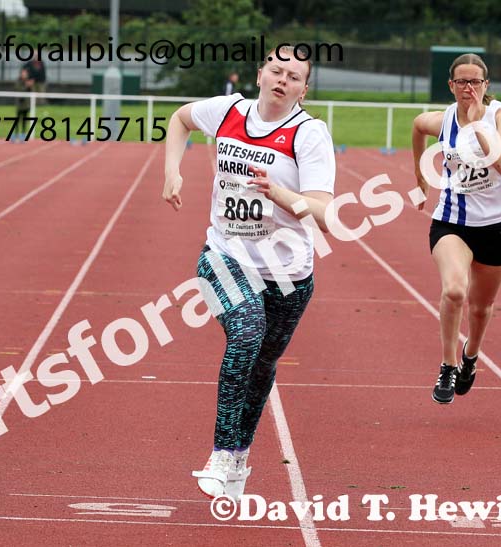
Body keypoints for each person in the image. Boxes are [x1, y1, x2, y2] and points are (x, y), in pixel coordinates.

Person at [162, 46, 335, 499]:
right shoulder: (227, 111)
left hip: (289, 272)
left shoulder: (309, 135)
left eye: (294, 77)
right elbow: (180, 119)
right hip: (223, 255)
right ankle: (220, 453)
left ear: (303, 88)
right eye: (276, 70)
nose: (283, 80)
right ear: (260, 74)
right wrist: (172, 172)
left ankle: (239, 456)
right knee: (245, 334)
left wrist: (277, 193)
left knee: (262, 365)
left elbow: (324, 213)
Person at [411, 53, 501, 405]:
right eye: (462, 82)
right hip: (452, 221)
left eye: (475, 82)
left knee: (480, 308)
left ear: (486, 85)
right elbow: (416, 125)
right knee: (455, 291)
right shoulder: (443, 118)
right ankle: (448, 363)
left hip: (497, 226)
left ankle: (471, 356)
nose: (468, 88)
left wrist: (476, 126)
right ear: (451, 85)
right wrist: (420, 176)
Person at [14, 67, 33, 141]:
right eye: (23, 73)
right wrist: (26, 86)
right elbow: (18, 89)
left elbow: (31, 91)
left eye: (25, 73)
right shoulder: (18, 81)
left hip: (26, 104)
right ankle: (16, 134)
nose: (24, 75)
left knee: (25, 120)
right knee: (17, 119)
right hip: (19, 103)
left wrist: (30, 86)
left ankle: (23, 134)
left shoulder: (28, 81)